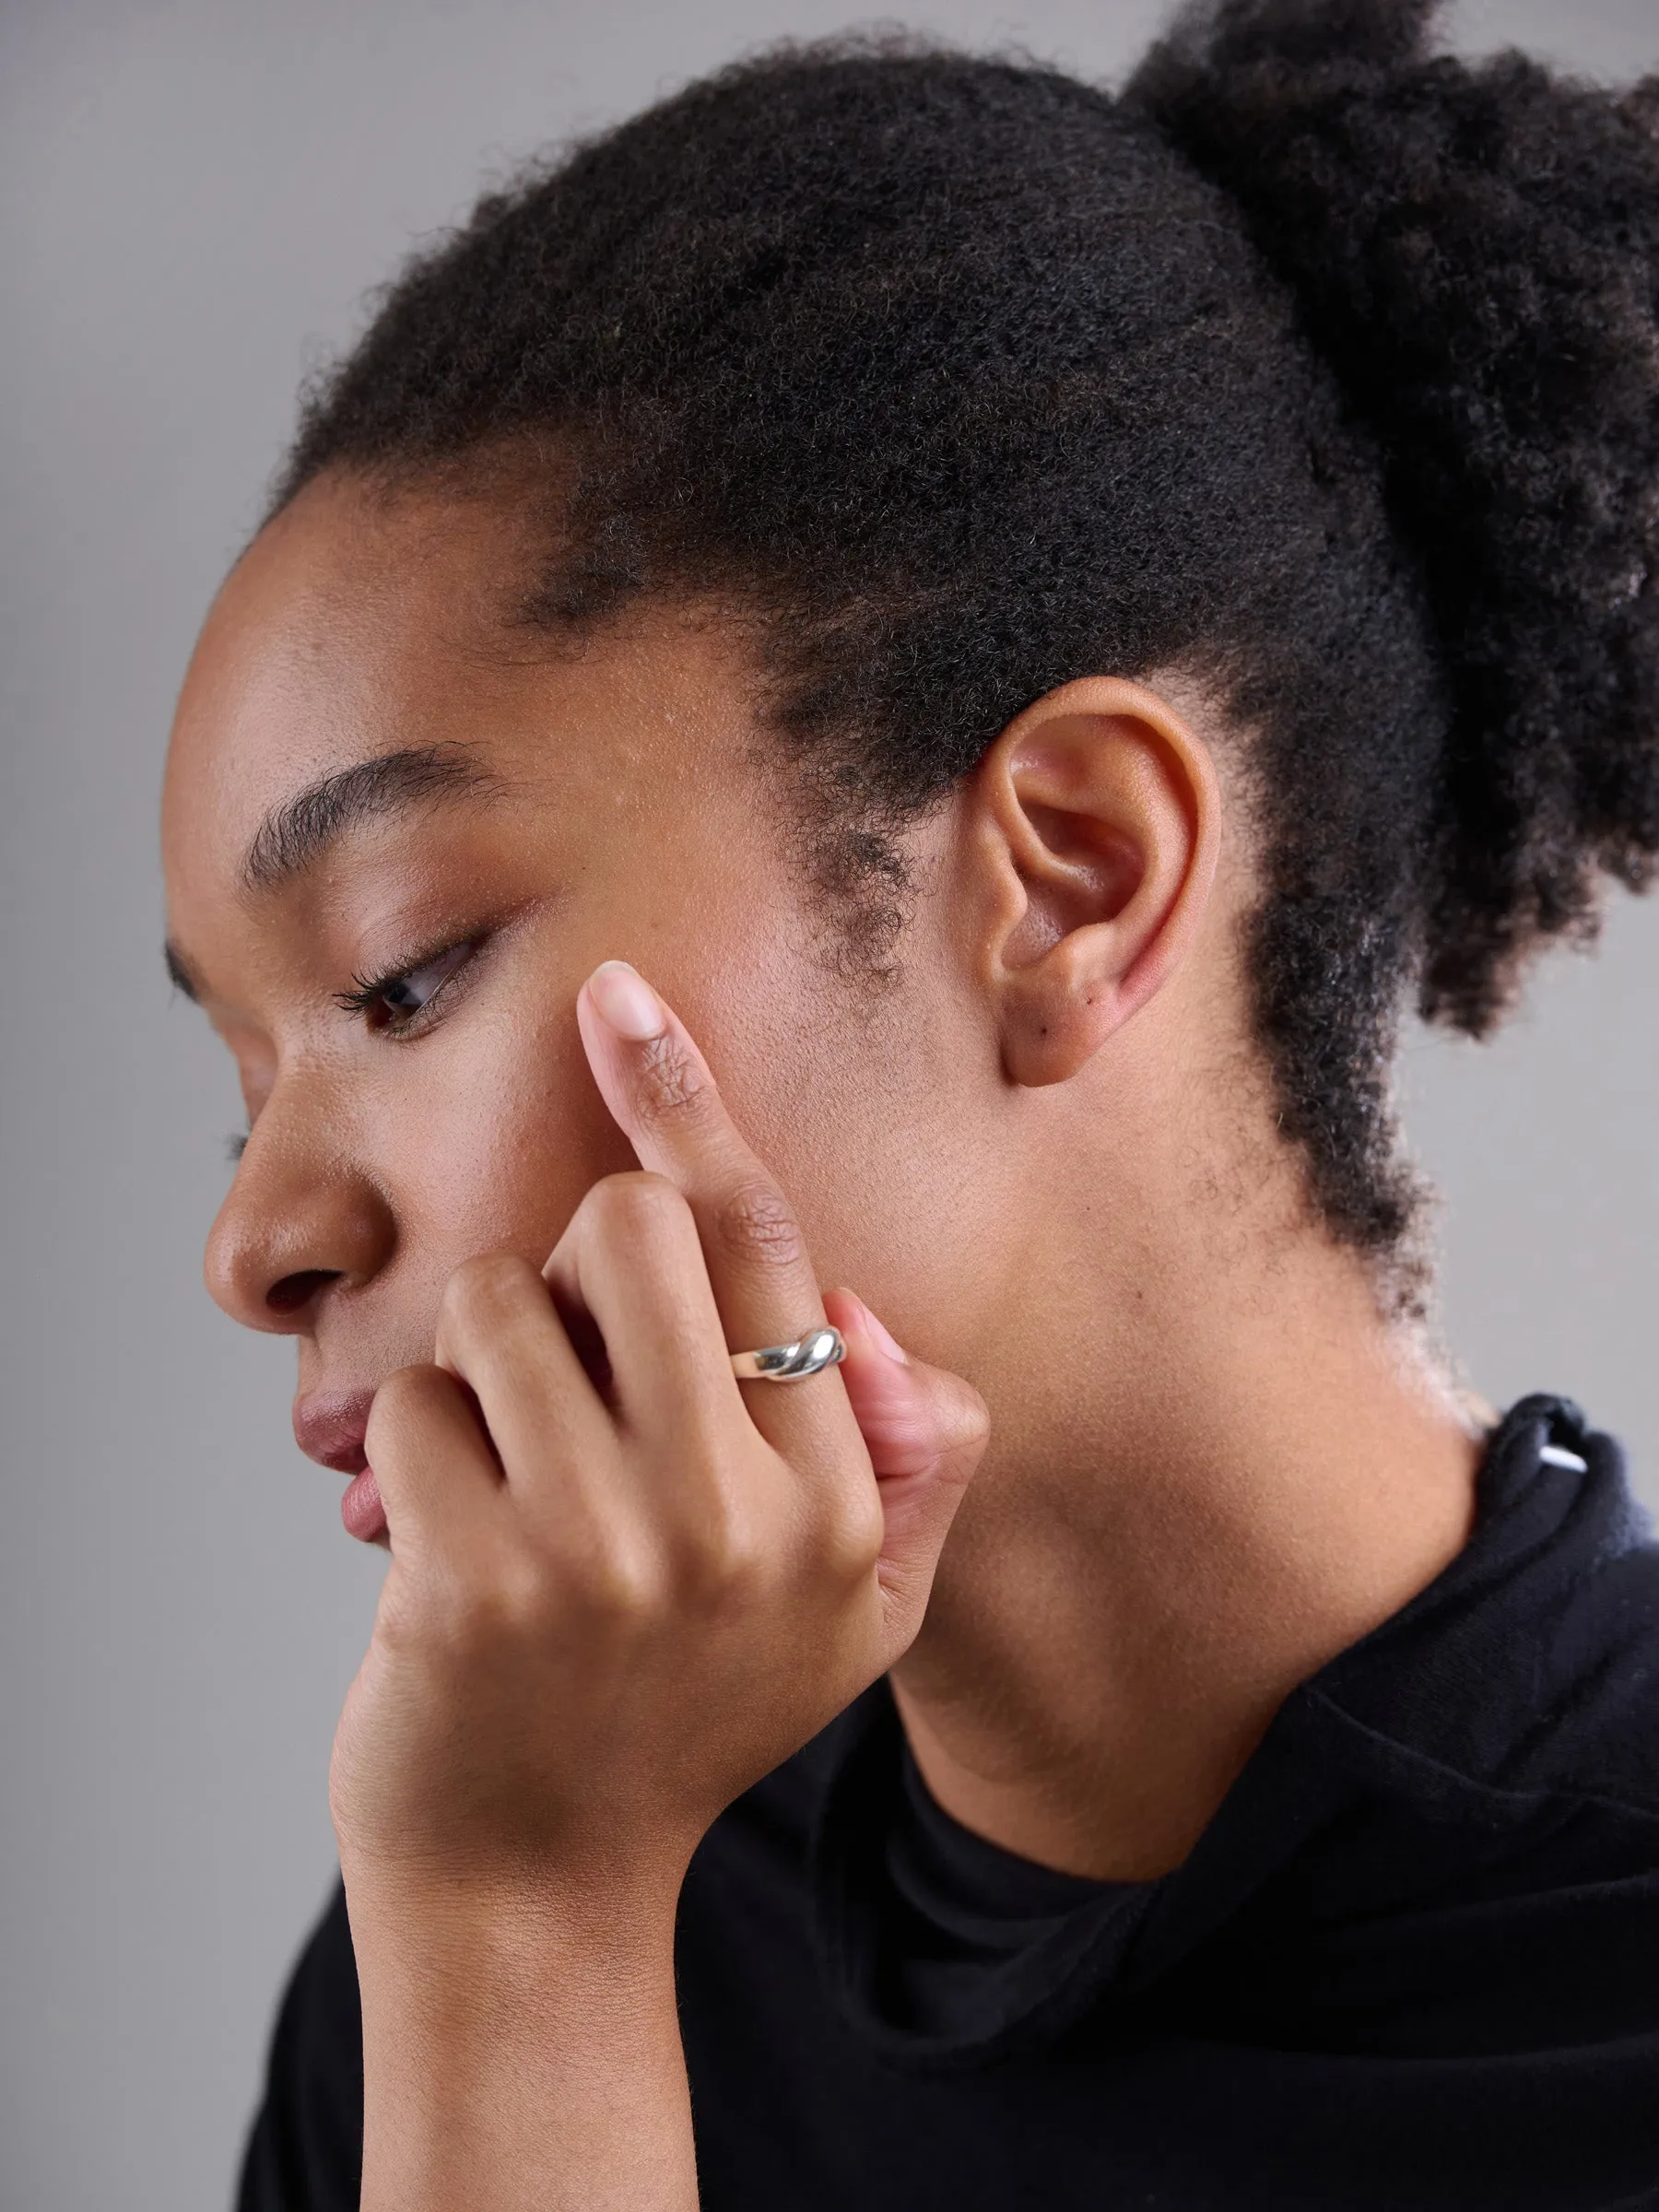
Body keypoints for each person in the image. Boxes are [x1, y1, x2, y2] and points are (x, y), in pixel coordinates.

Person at [159, 0, 1659, 2204]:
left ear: (1066, 878)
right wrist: (523, 1948)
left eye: (398, 978)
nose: (252, 1246)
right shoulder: (504, 1898)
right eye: (238, 1085)